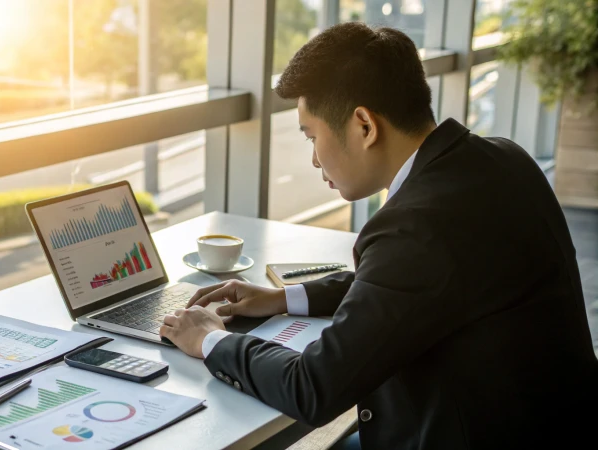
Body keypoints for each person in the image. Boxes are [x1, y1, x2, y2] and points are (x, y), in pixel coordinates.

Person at [158, 22, 598, 449]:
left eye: (312, 136)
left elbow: (311, 387)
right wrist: (283, 298)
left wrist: (210, 339)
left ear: (364, 125)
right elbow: (422, 280)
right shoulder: (503, 159)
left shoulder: (416, 226)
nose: (313, 160)